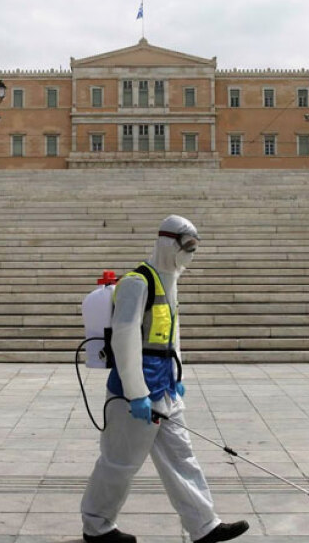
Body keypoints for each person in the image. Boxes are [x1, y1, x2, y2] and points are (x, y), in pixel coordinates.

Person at [81, 215, 249, 543]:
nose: (190, 254)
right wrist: (136, 393)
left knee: (181, 456)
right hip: (136, 393)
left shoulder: (169, 280)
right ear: (168, 244)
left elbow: (171, 337)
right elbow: (125, 337)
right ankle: (96, 526)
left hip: (165, 389)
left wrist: (177, 376)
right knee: (120, 463)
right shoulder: (137, 282)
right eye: (186, 247)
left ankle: (204, 525)